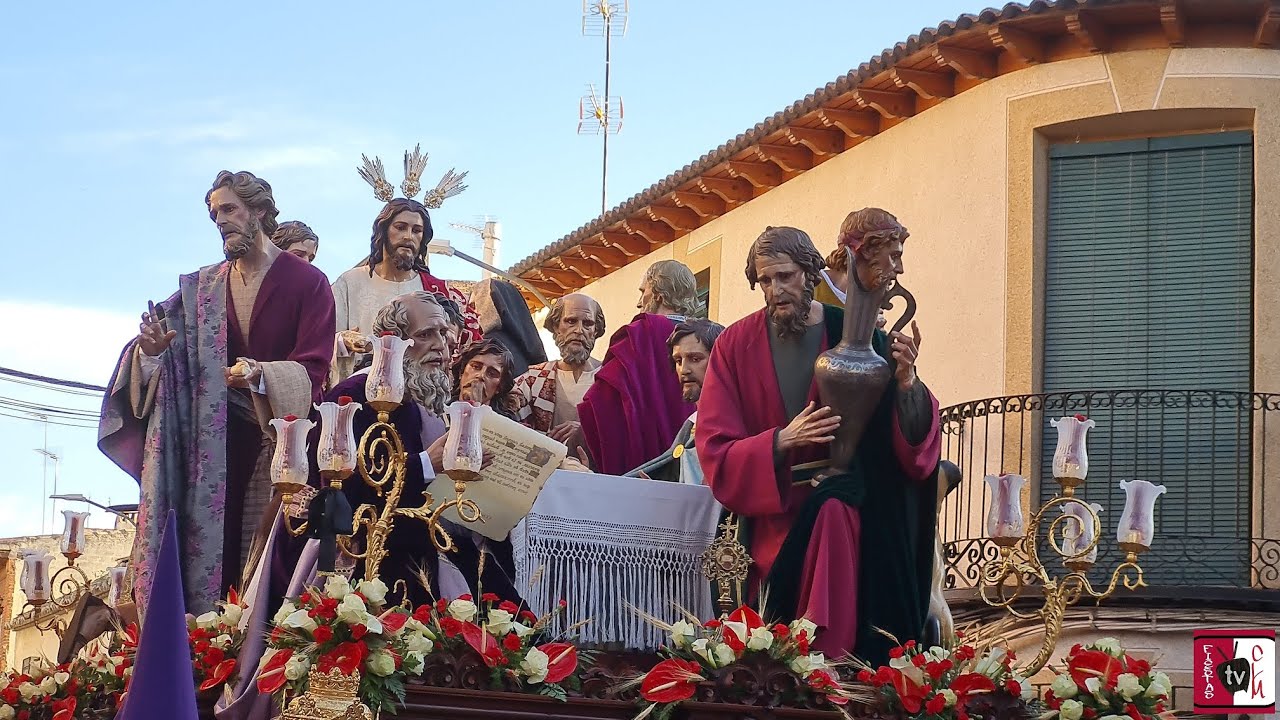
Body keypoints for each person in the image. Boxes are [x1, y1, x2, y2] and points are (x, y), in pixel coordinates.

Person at [697, 223, 939, 663]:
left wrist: (907, 383)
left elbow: (908, 441)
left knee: (834, 514)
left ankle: (836, 668)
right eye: (765, 280)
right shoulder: (734, 344)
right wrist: (779, 441)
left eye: (785, 276)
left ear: (811, 273)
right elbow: (713, 445)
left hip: (844, 511)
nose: (775, 290)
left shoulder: (856, 335)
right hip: (768, 518)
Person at [99, 170, 335, 613]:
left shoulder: (308, 282)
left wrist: (260, 374)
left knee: (266, 565)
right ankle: (203, 640)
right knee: (210, 561)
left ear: (259, 211)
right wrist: (150, 352)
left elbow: (314, 368)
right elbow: (160, 348)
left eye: (229, 209)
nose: (221, 221)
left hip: (282, 443)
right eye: (214, 214)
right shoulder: (201, 288)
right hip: (211, 446)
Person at [321, 291, 507, 605]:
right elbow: (343, 491)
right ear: (392, 341)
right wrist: (426, 464)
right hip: (367, 551)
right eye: (425, 335)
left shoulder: (424, 397)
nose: (441, 345)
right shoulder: (353, 395)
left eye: (444, 334)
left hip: (425, 539)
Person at [330, 198, 482, 384]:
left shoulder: (437, 292)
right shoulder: (350, 282)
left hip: (418, 390)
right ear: (383, 231)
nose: (408, 236)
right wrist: (344, 340)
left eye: (416, 230)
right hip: (361, 386)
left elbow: (469, 354)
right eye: (400, 227)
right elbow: (320, 340)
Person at [578, 260, 701, 475]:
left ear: (658, 295)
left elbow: (604, 400)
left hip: (641, 466)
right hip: (695, 462)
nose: (638, 302)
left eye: (643, 291)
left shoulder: (639, 334)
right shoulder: (709, 338)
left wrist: (579, 429)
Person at [625, 318, 725, 484]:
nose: (684, 370)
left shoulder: (735, 421)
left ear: (720, 361)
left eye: (695, 359)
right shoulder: (691, 424)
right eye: (678, 361)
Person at [509, 293, 604, 459]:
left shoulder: (610, 379)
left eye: (588, 323)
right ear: (556, 326)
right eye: (571, 321)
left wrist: (586, 431)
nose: (579, 330)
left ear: (596, 330)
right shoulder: (532, 380)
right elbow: (510, 428)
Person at [469, 278, 548, 378]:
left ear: (488, 305)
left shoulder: (486, 344)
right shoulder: (527, 349)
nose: (471, 313)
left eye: (474, 305)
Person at [451, 338, 518, 419]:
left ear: (499, 387)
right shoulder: (440, 412)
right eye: (476, 367)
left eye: (492, 374)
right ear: (461, 371)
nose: (481, 375)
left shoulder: (505, 425)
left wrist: (475, 409)